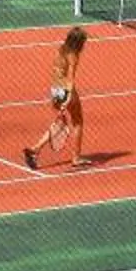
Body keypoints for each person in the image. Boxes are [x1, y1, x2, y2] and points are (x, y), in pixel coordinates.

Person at [23, 26, 90, 171]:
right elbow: (71, 77)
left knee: (58, 125)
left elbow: (57, 72)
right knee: (78, 122)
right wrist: (69, 97)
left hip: (55, 90)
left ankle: (35, 150)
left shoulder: (61, 49)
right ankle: (76, 158)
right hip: (66, 90)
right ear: (79, 42)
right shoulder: (73, 55)